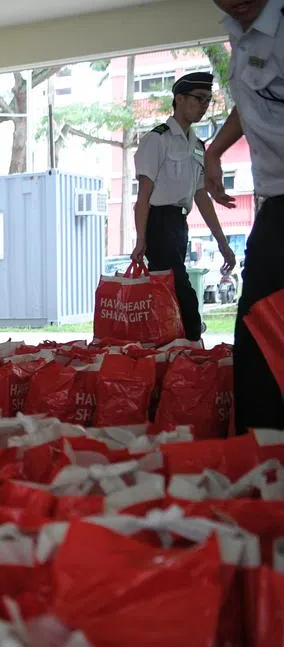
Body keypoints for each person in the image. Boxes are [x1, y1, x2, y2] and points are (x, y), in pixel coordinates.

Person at [206, 0, 284, 432]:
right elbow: (257, 97)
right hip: (274, 202)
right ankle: (262, 455)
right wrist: (215, 149)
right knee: (257, 334)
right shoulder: (243, 30)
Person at [131, 71, 237, 341]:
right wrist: (141, 239)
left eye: (208, 101)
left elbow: (201, 196)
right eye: (199, 99)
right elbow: (143, 196)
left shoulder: (198, 146)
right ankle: (194, 344)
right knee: (182, 291)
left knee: (170, 298)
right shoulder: (157, 139)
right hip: (158, 222)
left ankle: (175, 354)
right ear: (179, 99)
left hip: (179, 225)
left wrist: (223, 244)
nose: (203, 106)